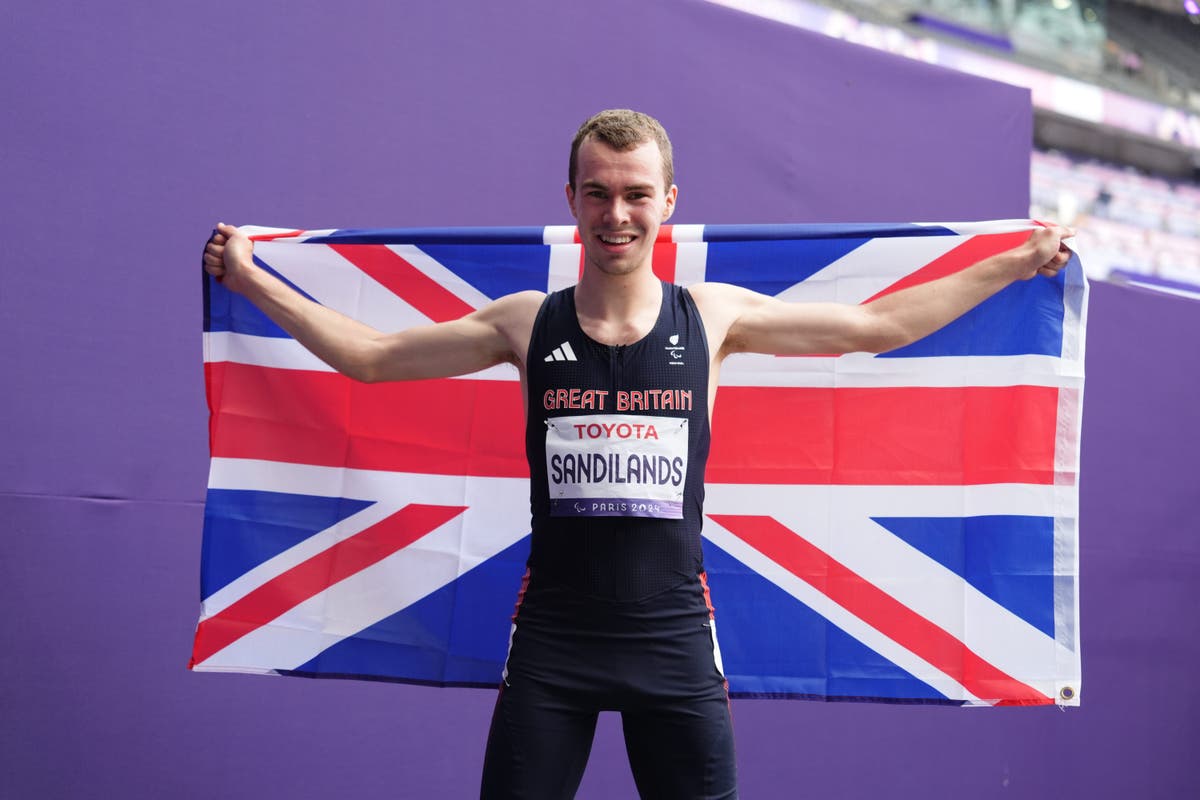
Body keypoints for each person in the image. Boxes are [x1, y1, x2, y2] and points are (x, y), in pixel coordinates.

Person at [203, 109, 1072, 800]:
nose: (616, 214)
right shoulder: (523, 322)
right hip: (553, 643)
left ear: (668, 202)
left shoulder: (715, 317)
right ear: (572, 199)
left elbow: (880, 328)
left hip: (674, 642)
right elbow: (372, 359)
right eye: (598, 193)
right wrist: (250, 280)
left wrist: (1011, 264)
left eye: (635, 194)